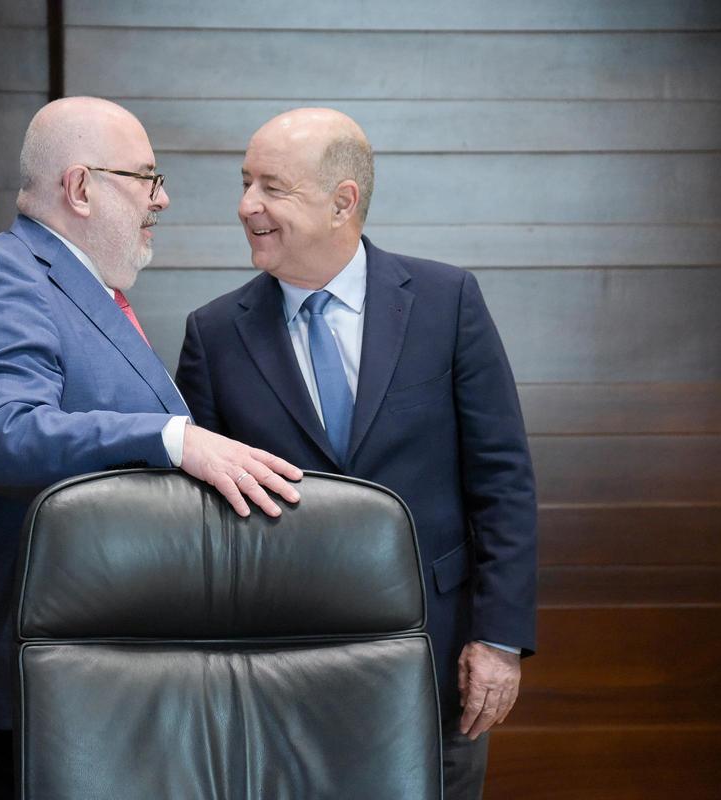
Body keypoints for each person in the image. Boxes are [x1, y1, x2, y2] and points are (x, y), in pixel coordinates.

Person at [0, 96, 303, 800]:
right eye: (147, 177)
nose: (163, 198)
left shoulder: (88, 291)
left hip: (95, 673)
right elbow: (6, 437)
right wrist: (173, 438)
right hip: (19, 680)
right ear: (82, 188)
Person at [175, 108, 537, 800]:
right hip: (280, 675)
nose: (246, 206)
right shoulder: (214, 335)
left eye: (272, 187)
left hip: (436, 665)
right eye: (245, 183)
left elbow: (503, 481)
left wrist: (498, 639)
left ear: (343, 201)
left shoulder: (446, 301)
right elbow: (199, 527)